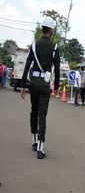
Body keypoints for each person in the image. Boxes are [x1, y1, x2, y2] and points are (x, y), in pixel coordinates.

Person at [20, 16, 60, 158]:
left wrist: (24, 85)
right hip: (44, 84)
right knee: (42, 114)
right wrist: (56, 87)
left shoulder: (34, 45)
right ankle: (41, 148)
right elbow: (58, 68)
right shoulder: (54, 47)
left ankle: (34, 140)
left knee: (34, 111)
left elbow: (27, 65)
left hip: (34, 83)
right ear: (50, 30)